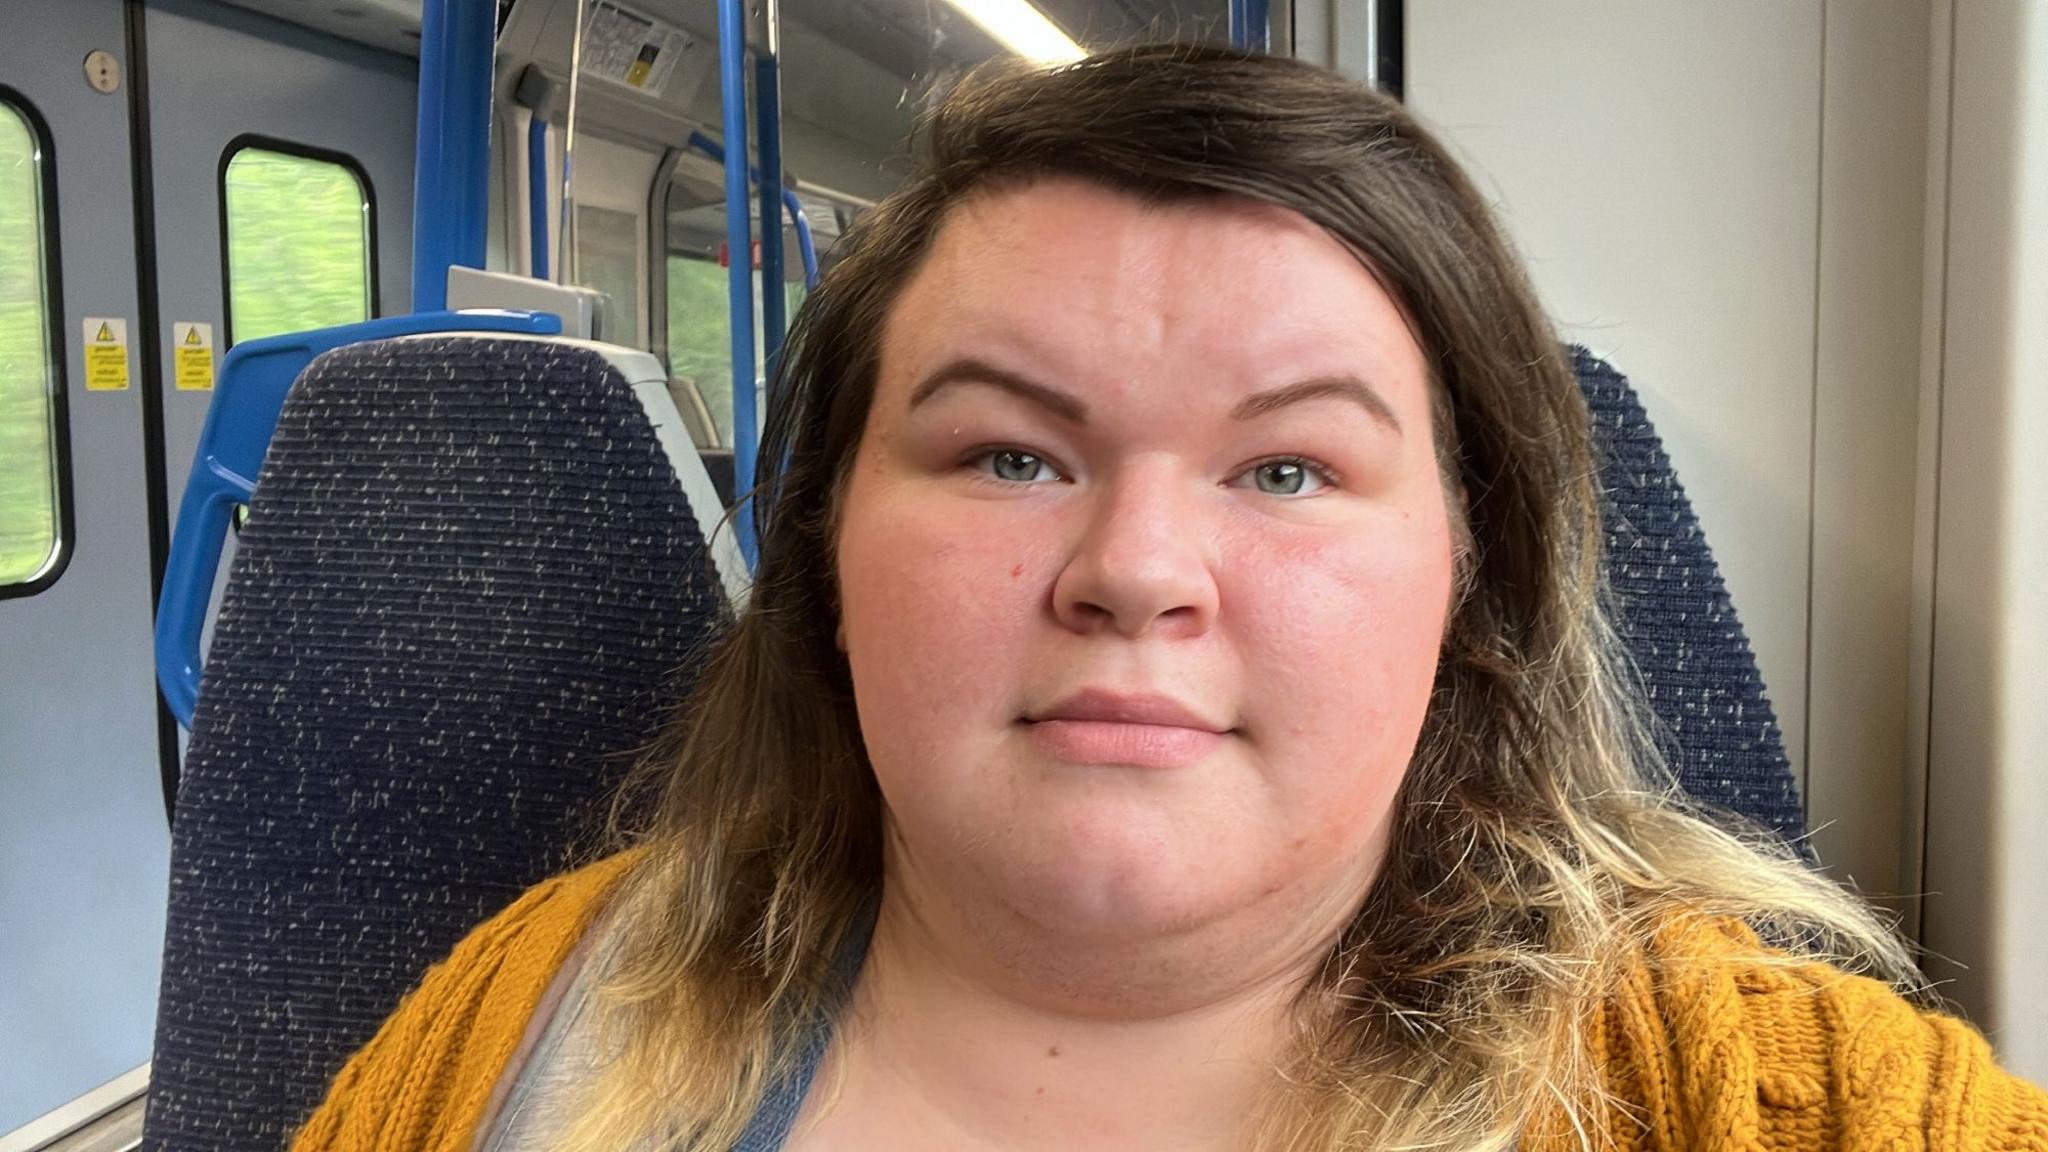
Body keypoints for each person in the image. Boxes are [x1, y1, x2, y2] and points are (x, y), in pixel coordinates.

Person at [292, 44, 2048, 1152]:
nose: (1133, 570)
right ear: (823, 549)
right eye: (1007, 457)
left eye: (1287, 471)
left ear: (1472, 581)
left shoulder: (1759, 1092)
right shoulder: (525, 1017)